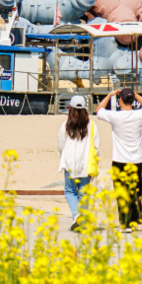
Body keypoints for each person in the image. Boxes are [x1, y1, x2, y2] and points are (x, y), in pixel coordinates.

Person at [96, 87, 142, 230]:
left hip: (120, 159)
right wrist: (136, 94)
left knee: (121, 191)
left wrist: (109, 94)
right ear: (132, 100)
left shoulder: (116, 116)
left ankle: (125, 222)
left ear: (120, 100)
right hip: (137, 159)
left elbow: (99, 110)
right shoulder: (139, 115)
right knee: (136, 190)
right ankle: (135, 219)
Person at [58, 95, 99, 232]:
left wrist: (61, 157)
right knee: (83, 193)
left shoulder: (66, 125)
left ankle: (77, 216)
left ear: (70, 108)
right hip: (86, 163)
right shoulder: (92, 125)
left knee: (70, 191)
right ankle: (82, 219)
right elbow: (96, 146)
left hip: (70, 163)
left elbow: (61, 144)